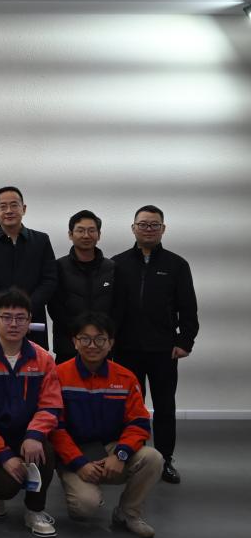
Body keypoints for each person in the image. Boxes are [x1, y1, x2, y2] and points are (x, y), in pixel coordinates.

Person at [50, 312, 162, 538]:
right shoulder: (58, 376)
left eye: (100, 339)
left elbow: (139, 423)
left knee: (153, 458)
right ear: (74, 342)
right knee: (84, 508)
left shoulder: (125, 378)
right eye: (85, 339)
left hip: (111, 450)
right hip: (74, 454)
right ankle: (81, 487)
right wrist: (79, 463)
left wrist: (120, 454)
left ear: (111, 343)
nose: (92, 345)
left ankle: (127, 513)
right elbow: (55, 428)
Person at [112, 204, 198, 484]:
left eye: (154, 225)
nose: (148, 229)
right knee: (128, 408)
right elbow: (110, 308)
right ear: (133, 228)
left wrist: (185, 342)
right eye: (143, 224)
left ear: (163, 229)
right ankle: (130, 457)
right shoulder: (117, 264)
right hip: (126, 349)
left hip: (163, 350)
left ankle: (165, 460)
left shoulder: (177, 265)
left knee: (164, 407)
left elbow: (188, 308)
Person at [0, 288, 62, 538]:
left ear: (30, 321)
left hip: (29, 435)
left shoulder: (43, 359)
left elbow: (50, 405)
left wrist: (34, 435)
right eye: (6, 317)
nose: (13, 324)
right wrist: (4, 454)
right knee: (5, 485)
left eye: (20, 318)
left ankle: (34, 511)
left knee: (44, 451)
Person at [0, 186, 57, 349]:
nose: (9, 211)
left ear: (23, 209)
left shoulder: (41, 240)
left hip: (33, 318)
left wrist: (26, 311)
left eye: (14, 205)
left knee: (36, 362)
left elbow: (49, 279)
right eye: (3, 206)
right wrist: (5, 313)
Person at [47, 210, 115, 363]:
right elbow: (54, 307)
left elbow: (118, 307)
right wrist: (79, 333)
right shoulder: (58, 267)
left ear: (99, 235)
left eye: (91, 230)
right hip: (67, 344)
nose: (86, 235)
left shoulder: (112, 268)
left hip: (102, 345)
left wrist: (100, 334)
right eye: (80, 230)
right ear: (70, 234)